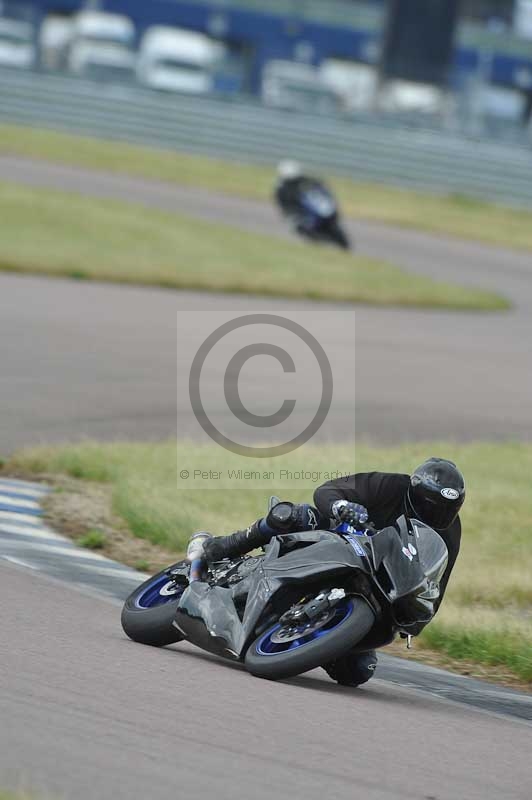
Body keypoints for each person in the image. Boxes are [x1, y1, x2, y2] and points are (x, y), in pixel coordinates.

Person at [192, 457, 466, 688]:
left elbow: (436, 584)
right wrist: (342, 507)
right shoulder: (392, 485)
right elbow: (329, 490)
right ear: (415, 492)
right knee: (290, 515)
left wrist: (415, 620)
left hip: (379, 586)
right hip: (339, 540)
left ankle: (314, 638)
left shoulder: (450, 533)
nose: (437, 514)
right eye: (430, 504)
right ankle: (223, 546)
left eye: (447, 509)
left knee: (359, 671)